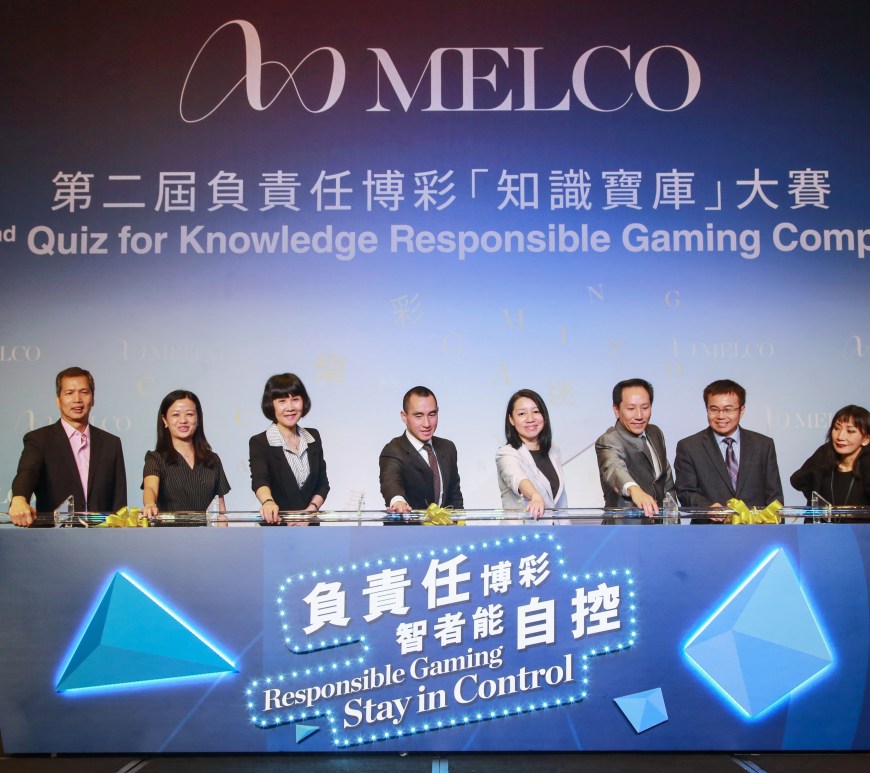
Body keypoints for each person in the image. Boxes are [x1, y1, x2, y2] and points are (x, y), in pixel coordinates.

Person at [9, 366, 126, 526]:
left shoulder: (111, 443)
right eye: (69, 393)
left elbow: (119, 499)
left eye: (84, 392)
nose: (77, 399)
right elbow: (28, 472)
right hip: (54, 536)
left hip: (102, 536)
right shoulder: (39, 439)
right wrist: (19, 498)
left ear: (92, 398)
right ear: (58, 400)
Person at [675, 379, 783, 520]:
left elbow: (775, 498)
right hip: (710, 529)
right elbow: (685, 492)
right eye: (714, 409)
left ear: (741, 410)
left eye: (728, 410)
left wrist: (777, 530)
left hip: (757, 529)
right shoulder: (689, 446)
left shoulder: (763, 445)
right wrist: (707, 508)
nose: (721, 416)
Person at [249, 373, 329, 525]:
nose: (290, 407)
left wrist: (310, 511)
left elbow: (322, 483)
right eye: (282, 401)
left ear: (303, 401)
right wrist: (268, 502)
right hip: (277, 526)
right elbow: (260, 479)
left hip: (310, 527)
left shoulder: (313, 437)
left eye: (295, 399)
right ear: (271, 404)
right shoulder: (260, 442)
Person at [141, 390, 230, 521]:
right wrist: (150, 504)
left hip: (205, 533)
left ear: (198, 419)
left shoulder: (212, 460)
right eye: (175, 415)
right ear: (165, 420)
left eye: (189, 414)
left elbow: (220, 508)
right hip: (168, 532)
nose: (183, 420)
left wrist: (222, 529)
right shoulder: (155, 458)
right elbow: (150, 489)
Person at [379, 386, 463, 521]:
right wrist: (398, 502)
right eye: (418, 416)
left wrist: (461, 527)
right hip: (408, 532)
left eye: (432, 414)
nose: (427, 423)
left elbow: (455, 498)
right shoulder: (393, 450)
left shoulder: (448, 448)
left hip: (445, 532)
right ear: (404, 416)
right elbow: (391, 483)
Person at [595, 378, 675, 519]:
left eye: (645, 408)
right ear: (616, 410)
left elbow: (665, 479)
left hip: (660, 525)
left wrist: (673, 519)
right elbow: (614, 469)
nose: (639, 416)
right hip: (626, 526)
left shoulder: (655, 432)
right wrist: (634, 489)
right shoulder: (609, 440)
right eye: (631, 409)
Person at [496, 389, 566, 520]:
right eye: (522, 413)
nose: (530, 419)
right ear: (511, 419)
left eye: (536, 411)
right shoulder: (506, 453)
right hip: (523, 530)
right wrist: (535, 495)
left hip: (557, 530)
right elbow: (517, 478)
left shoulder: (553, 450)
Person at [790, 405, 870, 508]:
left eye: (850, 431)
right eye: (836, 428)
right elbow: (798, 481)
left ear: (866, 439)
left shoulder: (867, 467)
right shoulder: (823, 456)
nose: (840, 436)